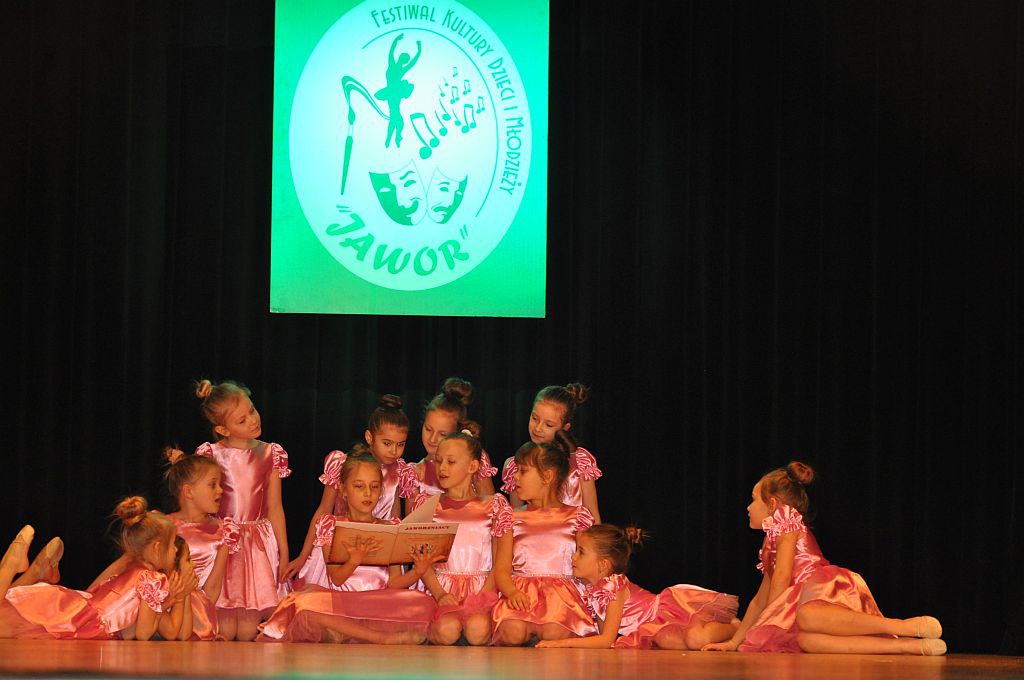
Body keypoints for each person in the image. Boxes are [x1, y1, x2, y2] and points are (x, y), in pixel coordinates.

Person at [702, 462, 946, 655]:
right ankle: (907, 646)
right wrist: (734, 642)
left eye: (754, 499)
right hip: (802, 601)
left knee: (806, 616)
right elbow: (760, 599)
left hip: (825, 588)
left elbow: (782, 579)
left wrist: (767, 621)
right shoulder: (770, 541)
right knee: (806, 640)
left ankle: (902, 626)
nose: (748, 507)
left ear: (773, 504)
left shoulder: (786, 519)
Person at [258, 454, 436, 644]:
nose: (368, 493)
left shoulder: (391, 527)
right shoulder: (331, 525)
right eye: (359, 486)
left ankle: (345, 632)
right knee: (303, 603)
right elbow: (336, 578)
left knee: (423, 602)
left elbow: (394, 583)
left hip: (375, 604)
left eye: (374, 487)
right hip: (343, 600)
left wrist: (417, 571)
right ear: (343, 489)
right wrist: (354, 560)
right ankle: (380, 637)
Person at [0, 498, 190, 640]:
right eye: (173, 544)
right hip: (85, 620)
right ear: (157, 547)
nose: (175, 550)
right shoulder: (154, 579)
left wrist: (169, 600)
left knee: (8, 612)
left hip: (79, 606)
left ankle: (25, 569)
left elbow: (128, 629)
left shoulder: (132, 568)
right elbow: (144, 633)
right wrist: (167, 601)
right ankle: (11, 565)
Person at [193, 378, 291, 640]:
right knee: (224, 628)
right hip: (222, 543)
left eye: (252, 410)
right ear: (222, 429)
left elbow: (275, 507)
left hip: (257, 544)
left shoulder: (270, 453)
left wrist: (283, 552)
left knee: (247, 629)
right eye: (242, 420)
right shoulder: (211, 455)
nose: (253, 420)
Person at [287, 395, 418, 589]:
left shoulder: (400, 471)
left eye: (400, 444)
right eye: (387, 443)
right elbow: (323, 510)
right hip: (339, 552)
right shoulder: (344, 465)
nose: (394, 451)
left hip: (377, 555)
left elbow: (394, 518)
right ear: (370, 437)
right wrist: (302, 556)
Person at [537, 524, 739, 649]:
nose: (573, 557)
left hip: (666, 613)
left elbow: (606, 640)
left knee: (695, 639)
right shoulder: (595, 589)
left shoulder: (614, 586)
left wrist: (560, 643)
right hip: (654, 628)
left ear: (603, 564)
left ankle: (735, 628)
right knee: (668, 641)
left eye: (581, 552)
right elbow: (602, 636)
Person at [408, 424, 512, 645]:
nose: (442, 467)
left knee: (477, 629)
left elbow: (500, 561)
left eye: (451, 461)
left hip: (482, 589)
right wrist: (440, 594)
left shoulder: (494, 505)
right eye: (439, 461)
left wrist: (481, 597)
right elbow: (420, 559)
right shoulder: (428, 505)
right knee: (447, 630)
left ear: (472, 466)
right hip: (440, 588)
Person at [491, 432, 597, 645]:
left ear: (547, 476)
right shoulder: (511, 517)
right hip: (522, 595)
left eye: (523, 471)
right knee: (512, 631)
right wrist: (512, 592)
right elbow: (501, 569)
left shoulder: (577, 517)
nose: (515, 477)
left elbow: (589, 565)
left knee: (554, 631)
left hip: (562, 598)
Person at [500, 383, 601, 522]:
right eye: (535, 418)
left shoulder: (579, 461)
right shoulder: (517, 465)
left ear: (565, 427)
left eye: (549, 425)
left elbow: (593, 515)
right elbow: (515, 518)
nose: (538, 428)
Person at [414, 377, 496, 498]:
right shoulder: (415, 473)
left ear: (457, 432)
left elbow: (490, 503)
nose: (432, 439)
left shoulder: (472, 458)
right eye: (428, 429)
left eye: (442, 434)